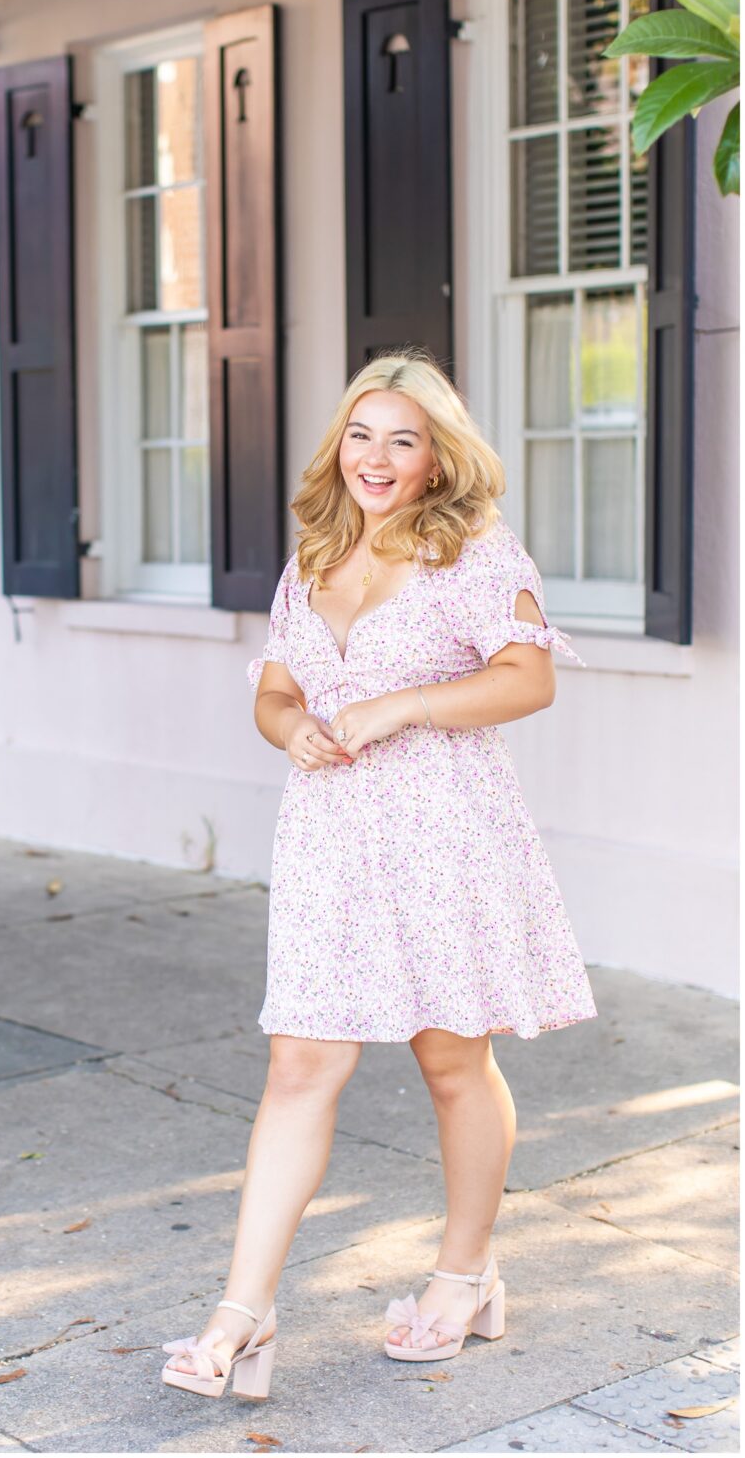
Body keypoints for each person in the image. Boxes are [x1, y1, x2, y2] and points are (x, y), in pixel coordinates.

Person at [160, 348, 598, 1400]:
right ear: (339, 444)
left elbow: (527, 680)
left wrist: (397, 705)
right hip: (328, 840)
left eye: (403, 438)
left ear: (437, 457)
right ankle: (243, 1315)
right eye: (362, 433)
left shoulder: (475, 552)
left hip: (443, 833)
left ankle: (464, 1274)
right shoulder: (311, 554)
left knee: (452, 1062)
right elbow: (272, 692)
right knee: (299, 1064)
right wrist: (294, 727)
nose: (376, 455)